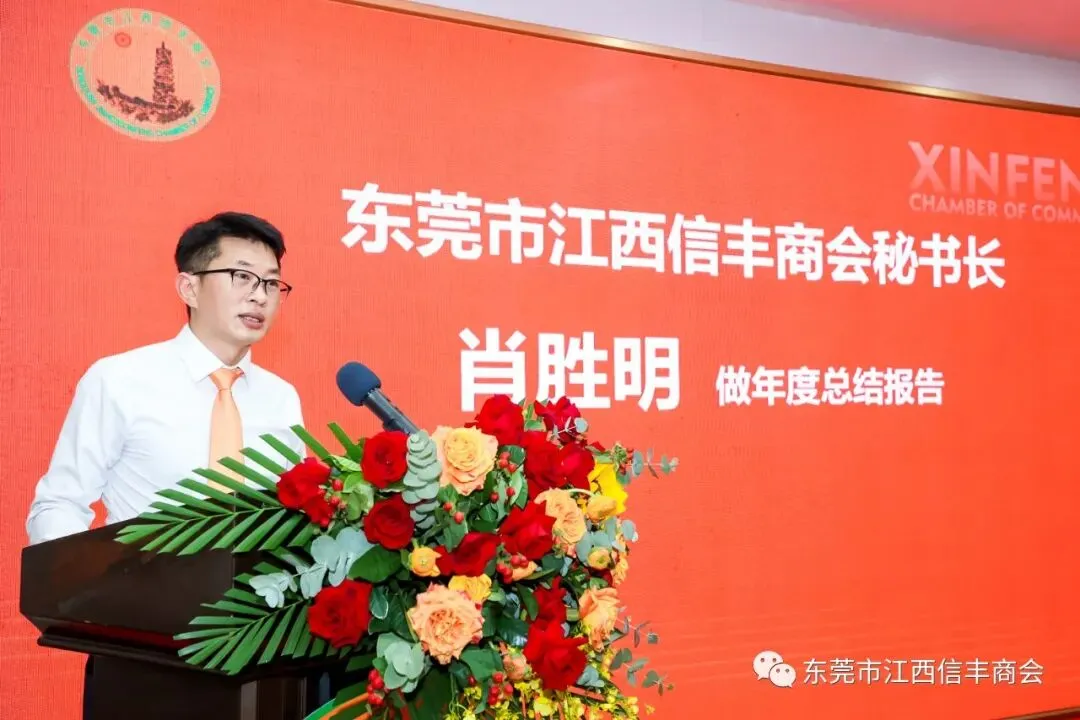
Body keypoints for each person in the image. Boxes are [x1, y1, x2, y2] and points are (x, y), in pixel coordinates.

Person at [23, 212, 308, 717]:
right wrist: (90, 596)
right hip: (141, 648)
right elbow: (60, 504)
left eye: (271, 283)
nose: (260, 296)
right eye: (242, 277)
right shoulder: (121, 380)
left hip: (259, 652)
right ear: (189, 287)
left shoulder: (281, 398)